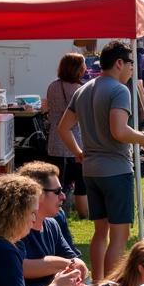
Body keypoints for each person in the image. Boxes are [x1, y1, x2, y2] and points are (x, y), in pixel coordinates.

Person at [57, 40, 144, 283]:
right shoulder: (119, 90)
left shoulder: (83, 89)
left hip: (91, 171)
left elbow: (63, 128)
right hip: (115, 170)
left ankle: (100, 285)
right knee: (119, 235)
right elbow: (119, 131)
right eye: (131, 64)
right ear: (119, 63)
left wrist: (79, 152)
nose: (133, 69)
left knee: (100, 232)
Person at [16, 160, 89, 286]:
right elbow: (20, 267)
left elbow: (73, 259)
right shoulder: (14, 229)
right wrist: (66, 264)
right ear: (37, 194)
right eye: (57, 191)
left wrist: (77, 265)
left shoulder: (52, 224)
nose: (63, 196)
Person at [45, 52, 89, 223]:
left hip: (55, 140)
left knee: (56, 183)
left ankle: (55, 213)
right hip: (75, 140)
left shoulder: (52, 86)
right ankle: (83, 214)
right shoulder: (80, 90)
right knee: (81, 182)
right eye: (83, 65)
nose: (85, 68)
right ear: (77, 68)